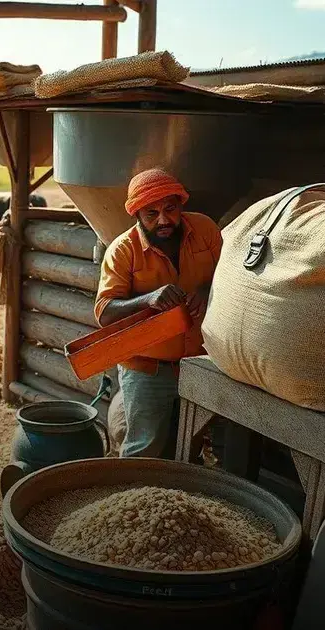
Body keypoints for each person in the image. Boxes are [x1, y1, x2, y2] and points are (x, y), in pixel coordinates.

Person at [94, 168, 222, 458]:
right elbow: (104, 312)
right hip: (146, 367)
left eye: (170, 209)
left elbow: (229, 274)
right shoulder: (123, 250)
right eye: (151, 213)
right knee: (144, 448)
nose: (164, 220)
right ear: (136, 214)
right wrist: (148, 299)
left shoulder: (206, 231)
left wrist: (205, 289)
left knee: (190, 450)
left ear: (180, 205)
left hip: (199, 362)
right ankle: (132, 502)